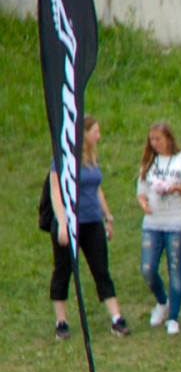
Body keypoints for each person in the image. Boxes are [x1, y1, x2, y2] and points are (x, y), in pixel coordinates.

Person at [48, 115, 129, 340]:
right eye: (96, 132)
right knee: (63, 270)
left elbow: (97, 189)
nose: (99, 136)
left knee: (101, 268)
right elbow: (55, 190)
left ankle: (116, 318)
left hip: (92, 221)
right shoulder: (62, 157)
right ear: (83, 134)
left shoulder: (93, 157)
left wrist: (107, 216)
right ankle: (61, 321)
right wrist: (63, 223)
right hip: (70, 222)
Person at [135, 121, 181, 336]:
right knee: (147, 268)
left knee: (175, 269)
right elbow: (141, 191)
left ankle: (173, 317)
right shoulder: (149, 163)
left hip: (177, 223)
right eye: (152, 139)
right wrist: (144, 204)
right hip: (153, 223)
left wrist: (177, 188)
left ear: (169, 139)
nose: (155, 143)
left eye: (159, 139)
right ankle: (162, 301)